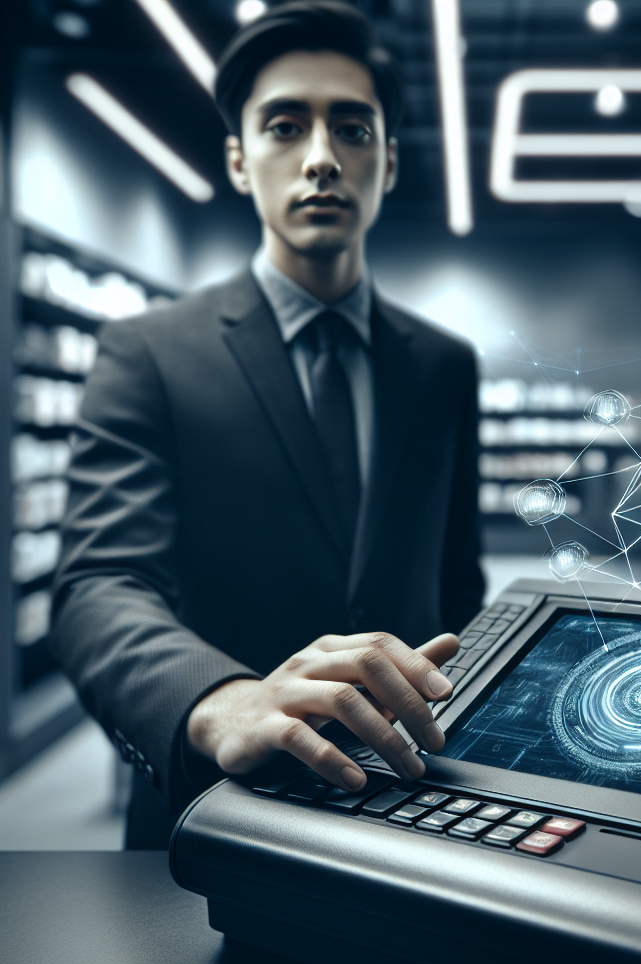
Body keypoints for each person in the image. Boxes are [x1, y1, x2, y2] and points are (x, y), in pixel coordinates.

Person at [51, 1, 484, 850]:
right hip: (218, 809)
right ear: (240, 161)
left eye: (352, 129)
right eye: (286, 126)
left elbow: (453, 576)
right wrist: (220, 700)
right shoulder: (149, 352)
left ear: (388, 162)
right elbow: (99, 585)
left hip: (414, 797)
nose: (321, 158)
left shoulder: (442, 365)